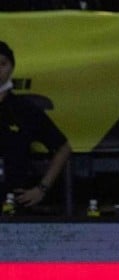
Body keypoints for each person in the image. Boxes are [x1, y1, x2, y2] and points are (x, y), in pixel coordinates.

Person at [0, 40, 72, 209]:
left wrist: (42, 189)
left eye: (2, 64)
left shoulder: (24, 109)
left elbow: (64, 147)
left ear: (12, 68)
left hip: (13, 204)